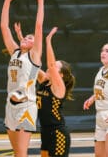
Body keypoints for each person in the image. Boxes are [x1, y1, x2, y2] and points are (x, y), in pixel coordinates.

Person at [0, 0, 44, 157]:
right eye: (25, 36)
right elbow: (4, 27)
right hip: (10, 105)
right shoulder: (15, 52)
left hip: (26, 106)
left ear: (35, 44)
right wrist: (8, 0)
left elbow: (39, 26)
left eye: (30, 37)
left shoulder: (34, 56)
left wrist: (40, 1)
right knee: (16, 153)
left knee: (21, 154)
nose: (26, 37)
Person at [36, 27, 76, 157]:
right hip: (45, 131)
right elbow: (31, 64)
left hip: (58, 133)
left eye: (55, 68)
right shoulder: (44, 80)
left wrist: (48, 41)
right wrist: (22, 42)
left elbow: (51, 64)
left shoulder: (59, 88)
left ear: (61, 75)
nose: (50, 68)